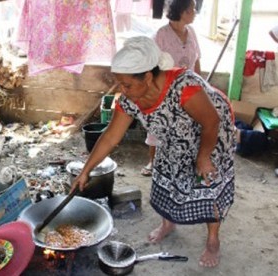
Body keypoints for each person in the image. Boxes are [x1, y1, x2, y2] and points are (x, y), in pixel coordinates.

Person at [71, 36, 235, 268]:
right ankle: (168, 223)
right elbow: (110, 137)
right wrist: (86, 170)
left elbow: (211, 122)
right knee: (166, 172)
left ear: (147, 76)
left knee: (208, 183)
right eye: (119, 84)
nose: (123, 90)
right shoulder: (130, 99)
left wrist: (203, 157)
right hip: (175, 134)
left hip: (210, 130)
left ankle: (212, 240)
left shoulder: (183, 88)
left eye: (127, 85)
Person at [141, 0, 202, 177]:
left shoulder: (191, 32)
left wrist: (200, 84)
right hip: (165, 89)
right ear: (182, 12)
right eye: (192, 9)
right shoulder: (161, 35)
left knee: (187, 126)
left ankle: (183, 161)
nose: (195, 12)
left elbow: (197, 58)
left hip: (189, 89)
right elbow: (153, 65)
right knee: (159, 126)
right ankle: (153, 161)